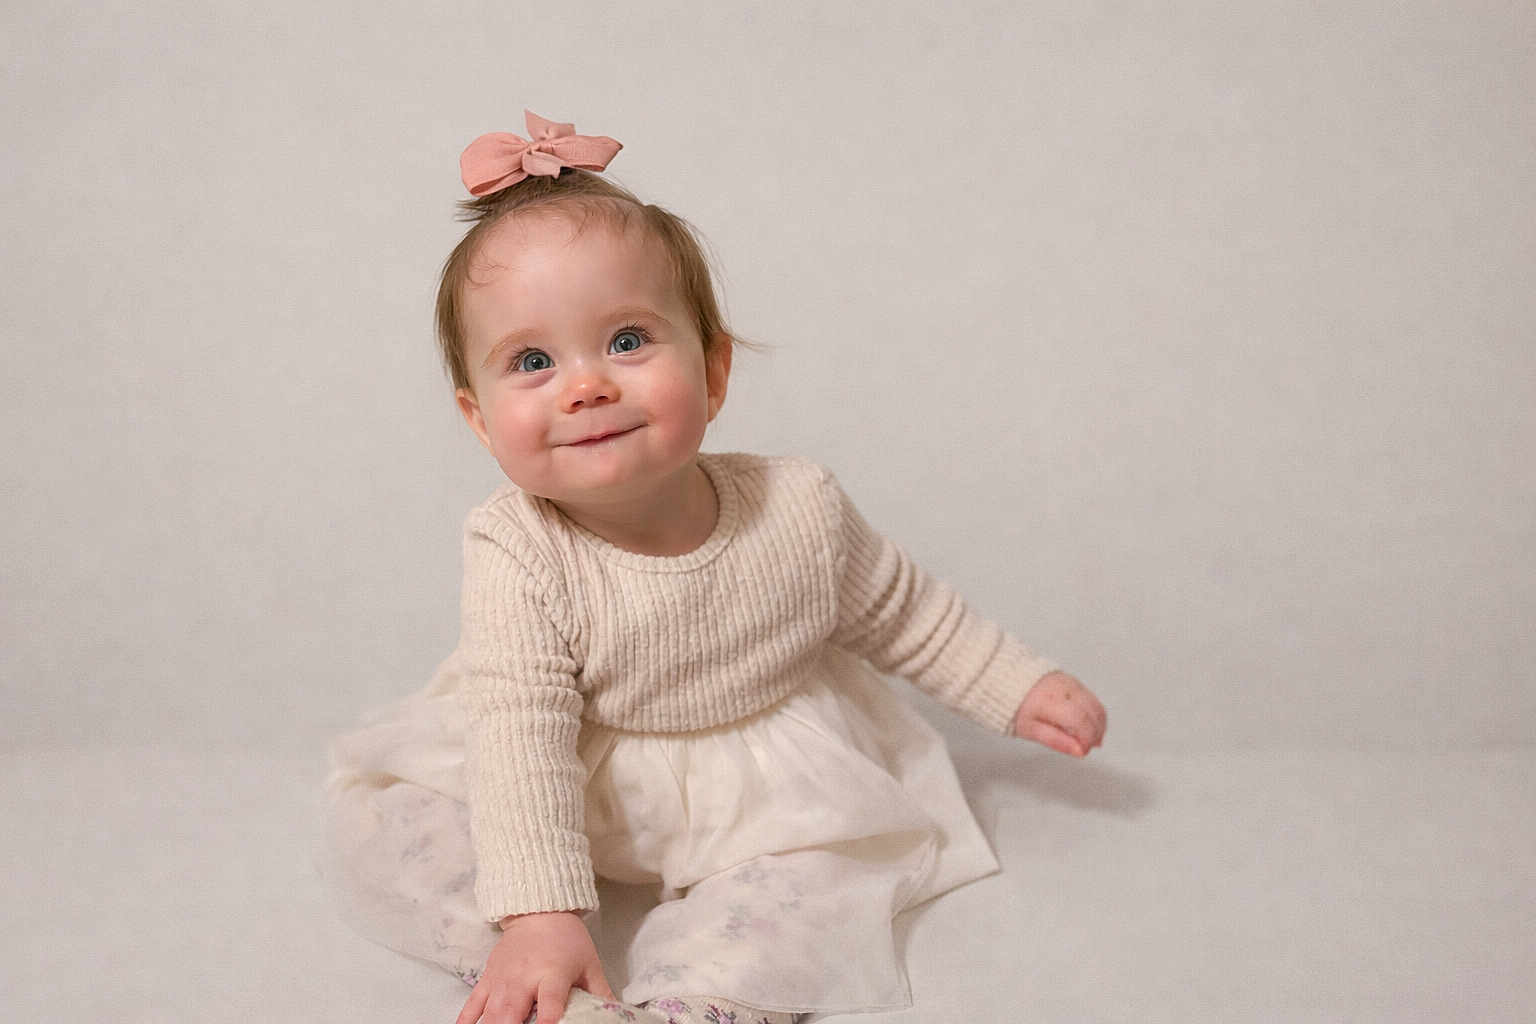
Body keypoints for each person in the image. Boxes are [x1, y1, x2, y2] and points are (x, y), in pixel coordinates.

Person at [322, 110, 1107, 1024]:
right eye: (532, 361)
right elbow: (521, 736)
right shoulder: (518, 547)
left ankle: (702, 997)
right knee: (415, 831)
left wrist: (1019, 683)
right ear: (479, 419)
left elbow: (904, 612)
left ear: (715, 370)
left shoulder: (797, 506)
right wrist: (539, 909)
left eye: (626, 341)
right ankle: (529, 966)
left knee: (805, 886)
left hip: (764, 787)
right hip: (574, 770)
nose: (587, 385)